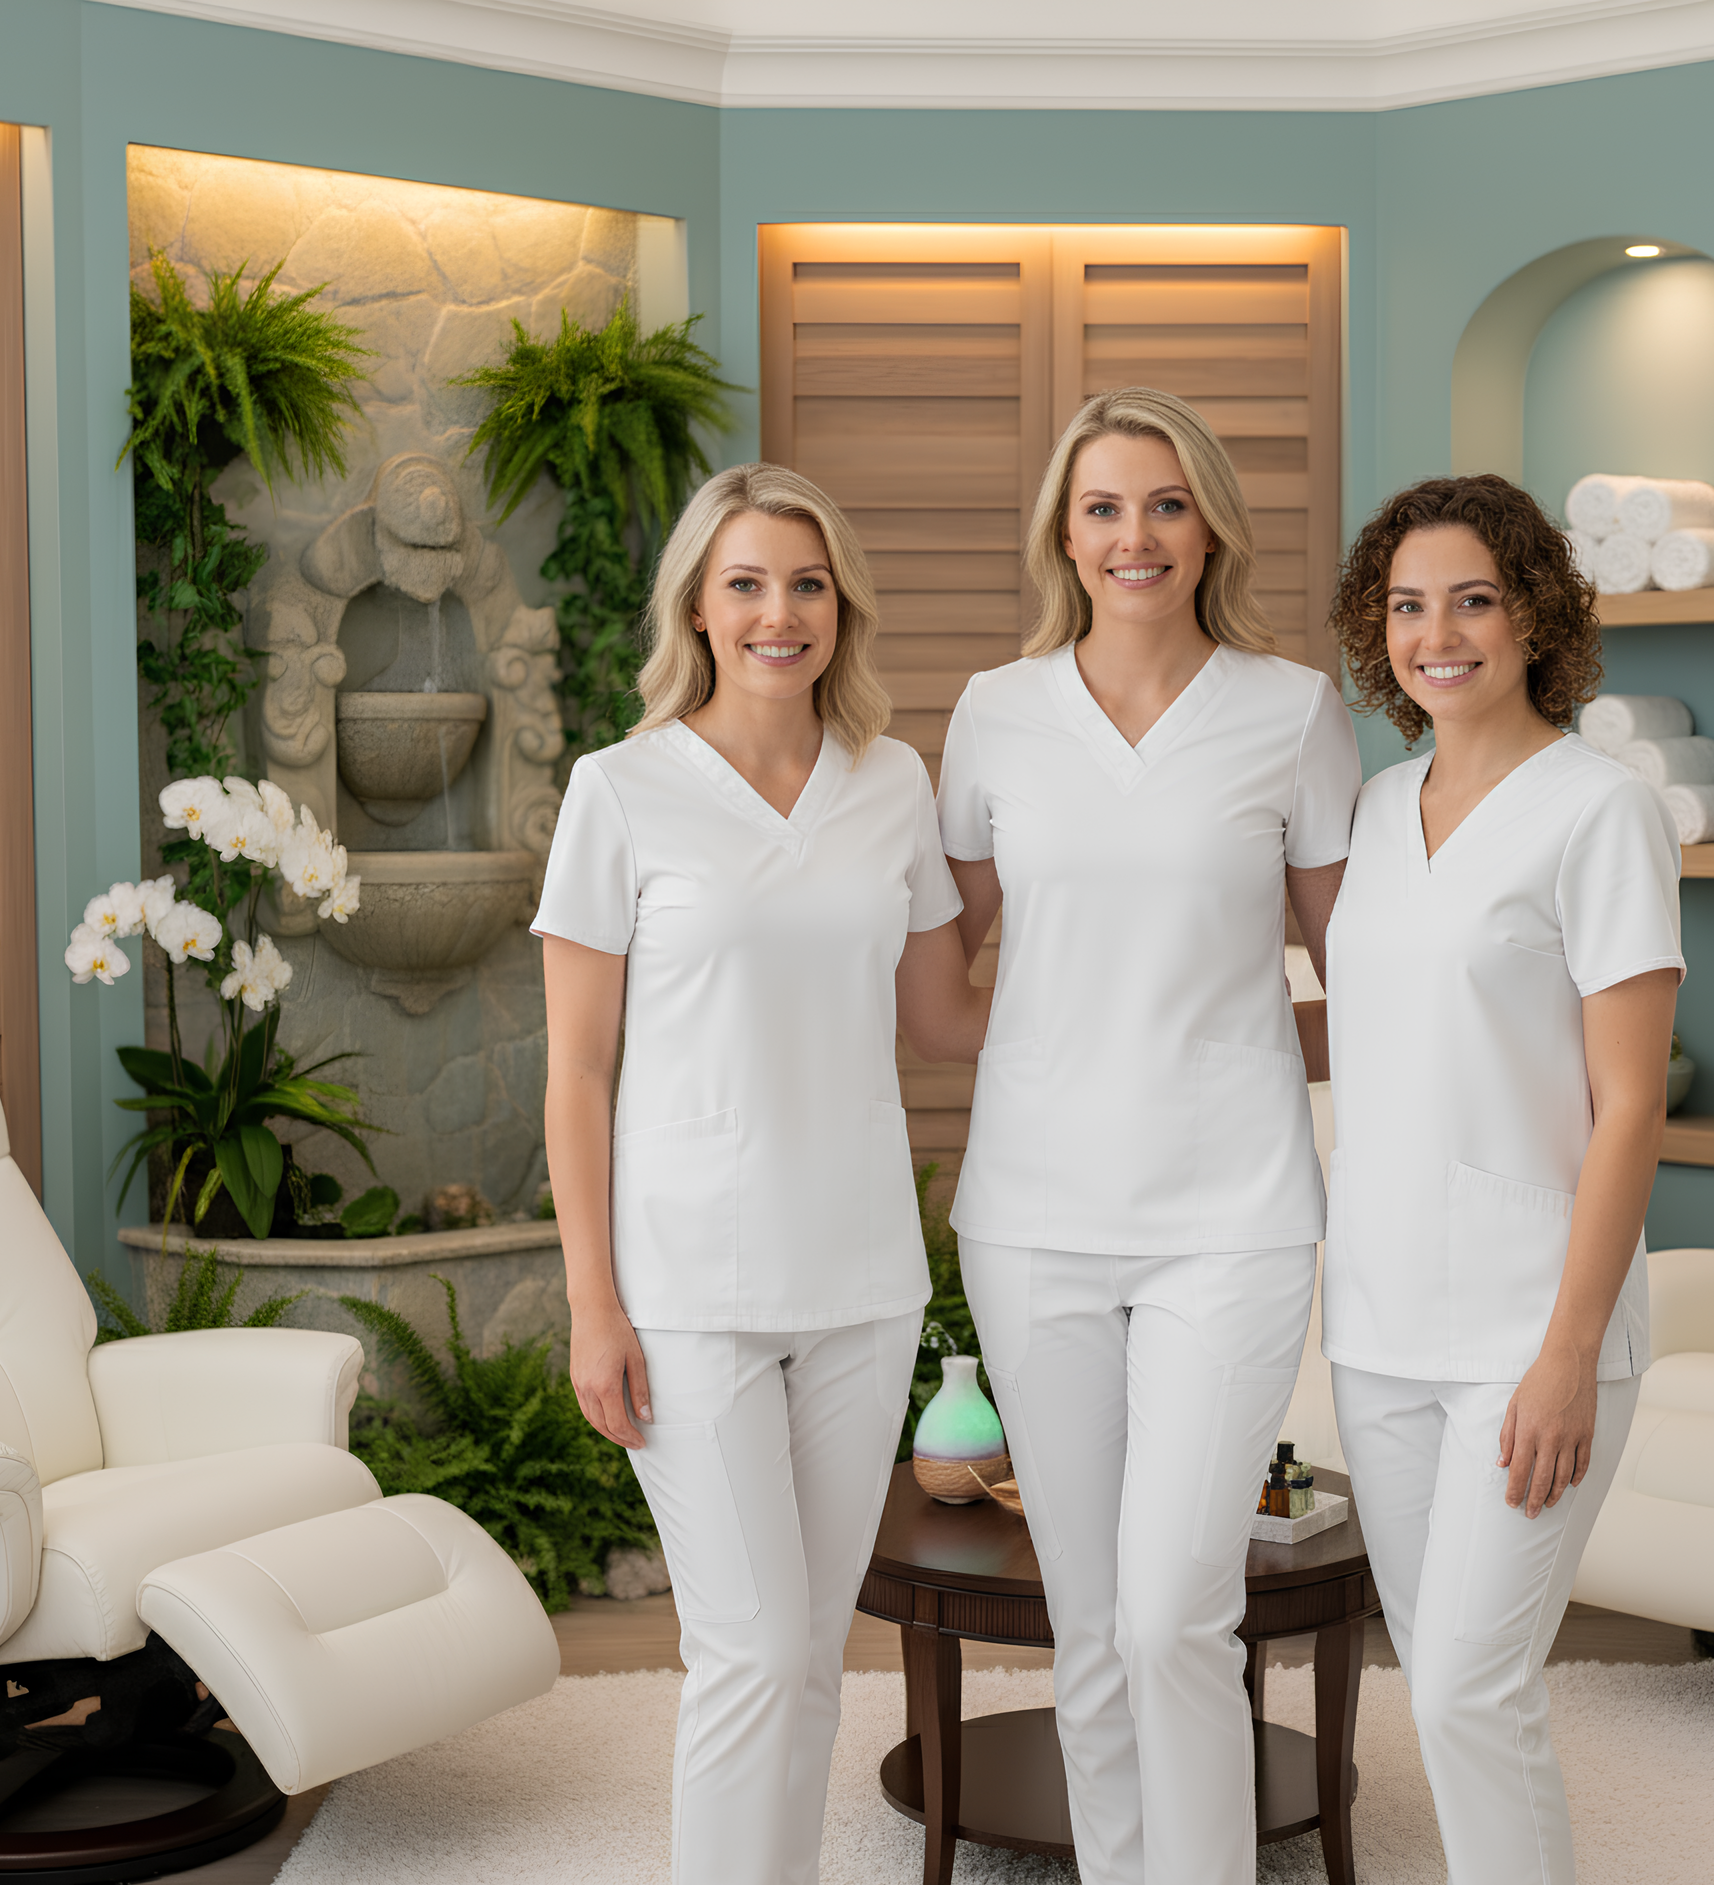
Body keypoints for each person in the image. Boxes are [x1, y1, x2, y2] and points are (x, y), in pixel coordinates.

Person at [537, 463, 986, 1885]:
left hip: (861, 1282)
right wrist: (592, 1305)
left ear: (840, 607)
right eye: (746, 583)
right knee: (740, 1647)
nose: (778, 612)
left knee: (803, 1653)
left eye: (805, 583)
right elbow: (578, 1075)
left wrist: (1122, 912)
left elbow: (945, 1019)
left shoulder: (891, 783)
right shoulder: (619, 791)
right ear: (700, 606)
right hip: (688, 1289)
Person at [936, 387, 1362, 1885]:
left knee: (1181, 1605)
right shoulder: (994, 713)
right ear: (1066, 529)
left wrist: (1244, 1035)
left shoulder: (1292, 710)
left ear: (1210, 528)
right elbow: (943, 976)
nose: (1137, 535)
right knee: (1097, 1614)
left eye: (1167, 504)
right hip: (1033, 1218)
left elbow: (1362, 976)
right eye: (1107, 506)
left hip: (1233, 1216)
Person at [1321, 474, 1682, 1884]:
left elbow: (1631, 1101)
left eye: (1474, 598)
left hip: (1532, 1332)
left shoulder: (1599, 814)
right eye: (1408, 606)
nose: (1439, 633)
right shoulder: (1377, 800)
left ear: (1535, 614)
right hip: (1382, 1324)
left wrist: (1567, 1357)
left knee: (1474, 1691)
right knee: (1454, 1688)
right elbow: (1381, 1022)